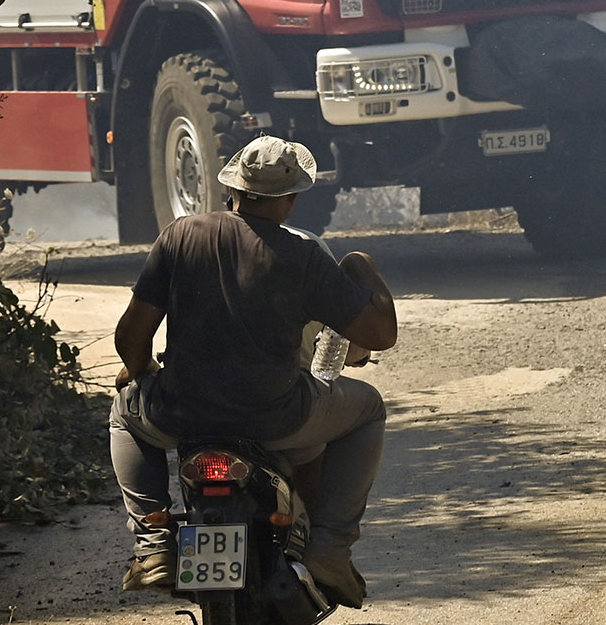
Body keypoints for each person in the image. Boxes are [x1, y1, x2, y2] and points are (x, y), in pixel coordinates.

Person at [108, 136, 398, 608]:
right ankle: (330, 551)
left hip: (181, 415)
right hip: (277, 419)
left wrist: (141, 372)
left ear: (233, 188)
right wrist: (361, 267)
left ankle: (154, 546)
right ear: (290, 199)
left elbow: (130, 338)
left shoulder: (180, 236)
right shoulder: (303, 257)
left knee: (124, 413)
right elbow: (380, 334)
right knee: (368, 409)